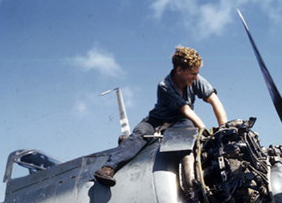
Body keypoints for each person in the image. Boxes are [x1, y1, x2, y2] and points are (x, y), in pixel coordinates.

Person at [94, 45, 227, 187]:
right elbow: (186, 110)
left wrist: (224, 130)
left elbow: (215, 101)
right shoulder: (164, 85)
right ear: (179, 70)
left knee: (188, 133)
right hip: (156, 120)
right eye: (193, 73)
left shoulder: (196, 79)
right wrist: (205, 131)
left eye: (197, 73)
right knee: (140, 134)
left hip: (180, 121)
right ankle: (108, 168)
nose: (196, 77)